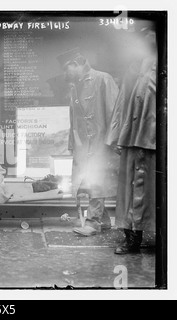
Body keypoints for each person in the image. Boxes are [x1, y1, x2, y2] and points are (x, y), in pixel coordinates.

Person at [56, 48, 120, 236]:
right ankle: (105, 220)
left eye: (67, 69)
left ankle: (93, 222)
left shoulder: (103, 79)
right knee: (89, 181)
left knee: (96, 181)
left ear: (77, 64)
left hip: (102, 142)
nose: (65, 73)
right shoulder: (75, 86)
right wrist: (71, 144)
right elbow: (73, 119)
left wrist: (113, 141)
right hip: (84, 144)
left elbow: (115, 113)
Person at [106, 27, 157, 254]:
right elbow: (121, 103)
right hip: (132, 136)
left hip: (157, 139)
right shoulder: (133, 67)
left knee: (156, 191)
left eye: (150, 33)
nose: (146, 38)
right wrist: (118, 136)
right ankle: (131, 239)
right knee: (129, 192)